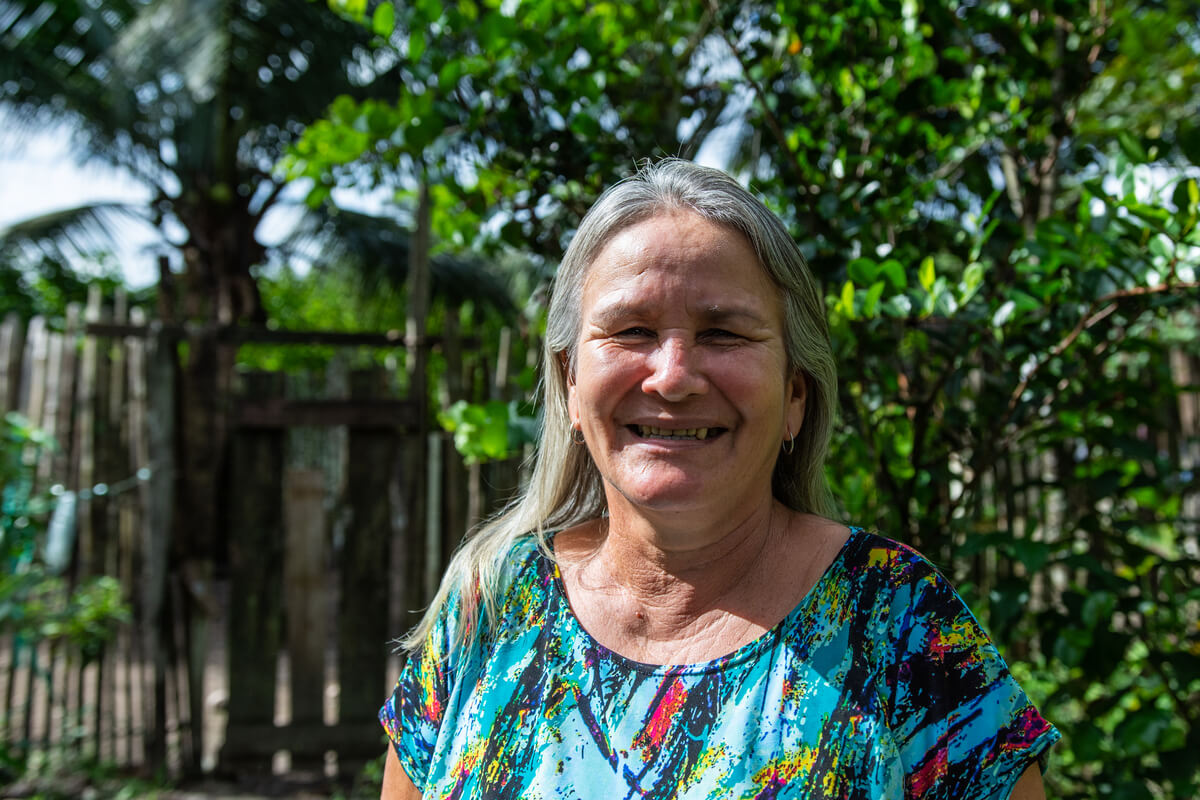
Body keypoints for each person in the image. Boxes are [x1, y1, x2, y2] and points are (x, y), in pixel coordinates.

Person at [379, 159, 1059, 799]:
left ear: (795, 395)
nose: (672, 375)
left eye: (724, 333)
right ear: (569, 383)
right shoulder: (492, 607)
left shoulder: (896, 619)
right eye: (632, 330)